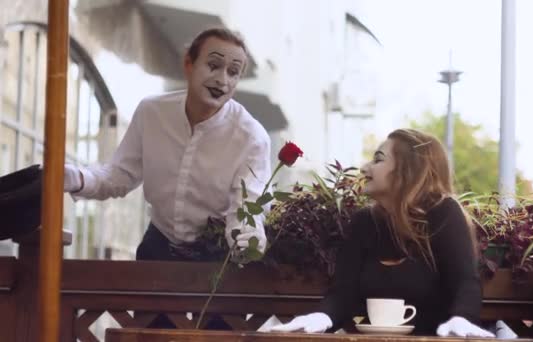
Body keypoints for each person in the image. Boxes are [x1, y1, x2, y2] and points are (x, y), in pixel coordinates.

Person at [63, 28, 271, 262]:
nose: (222, 80)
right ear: (189, 64)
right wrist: (79, 179)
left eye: (233, 72)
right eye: (213, 65)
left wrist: (248, 238)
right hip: (158, 246)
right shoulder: (151, 112)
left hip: (214, 256)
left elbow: (247, 205)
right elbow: (120, 174)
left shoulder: (251, 137)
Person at [272, 129, 495, 337]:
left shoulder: (443, 213)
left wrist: (462, 319)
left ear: (407, 170)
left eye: (378, 159)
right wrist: (322, 317)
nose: (364, 168)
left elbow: (465, 283)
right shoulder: (364, 222)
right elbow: (343, 293)